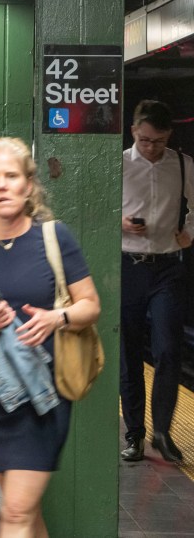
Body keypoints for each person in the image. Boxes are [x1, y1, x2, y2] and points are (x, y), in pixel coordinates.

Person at [0, 137, 100, 536]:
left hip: (43, 396)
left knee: (13, 513)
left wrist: (56, 318)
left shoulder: (54, 237)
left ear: (28, 185)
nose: (1, 185)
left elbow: (90, 306)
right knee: (26, 515)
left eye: (11, 176)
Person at [120, 99, 194, 463]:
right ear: (134, 131)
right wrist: (119, 223)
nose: (152, 148)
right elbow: (93, 209)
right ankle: (134, 433)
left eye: (160, 141)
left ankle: (162, 431)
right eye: (146, 140)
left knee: (167, 349)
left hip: (167, 266)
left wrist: (190, 232)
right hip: (127, 265)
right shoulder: (117, 164)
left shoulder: (182, 165)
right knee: (129, 353)